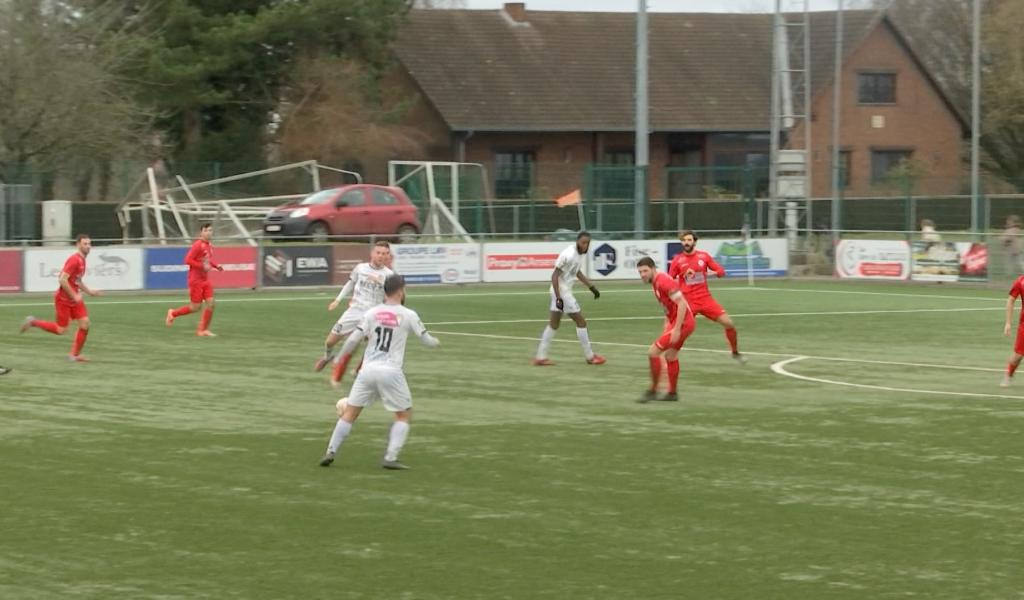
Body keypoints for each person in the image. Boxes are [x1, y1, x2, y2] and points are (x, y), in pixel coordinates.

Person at [319, 274, 440, 470]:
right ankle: (390, 458)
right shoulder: (409, 314)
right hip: (390, 372)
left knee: (349, 413)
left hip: (367, 371)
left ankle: (330, 451)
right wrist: (436, 343)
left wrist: (340, 358)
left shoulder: (372, 313)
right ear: (401, 290)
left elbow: (352, 340)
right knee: (403, 415)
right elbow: (427, 340)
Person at [314, 241, 394, 386]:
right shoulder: (360, 268)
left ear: (388, 256)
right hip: (354, 311)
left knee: (372, 345)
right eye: (378, 252)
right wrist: (337, 300)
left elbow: (393, 295)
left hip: (373, 316)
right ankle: (327, 356)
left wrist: (381, 283)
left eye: (385, 253)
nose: (381, 256)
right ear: (372, 253)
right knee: (330, 341)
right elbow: (350, 283)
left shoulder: (389, 275)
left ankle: (358, 371)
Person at [19, 234, 101, 361]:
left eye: (89, 244)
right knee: (61, 330)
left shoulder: (82, 260)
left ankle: (74, 355)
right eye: (85, 244)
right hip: (64, 299)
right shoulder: (74, 260)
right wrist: (74, 295)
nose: (88, 247)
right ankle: (33, 322)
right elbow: (62, 279)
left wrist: (89, 292)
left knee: (85, 324)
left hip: (75, 299)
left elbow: (77, 281)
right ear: (78, 245)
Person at [668, 229, 745, 364]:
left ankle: (735, 352)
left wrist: (708, 274)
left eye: (689, 240)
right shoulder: (677, 260)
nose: (686, 243)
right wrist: (680, 280)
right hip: (687, 301)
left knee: (729, 323)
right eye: (684, 240)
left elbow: (721, 272)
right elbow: (669, 280)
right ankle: (671, 354)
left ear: (695, 242)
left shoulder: (704, 257)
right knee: (680, 330)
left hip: (705, 299)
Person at [532, 231, 606, 366]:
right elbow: (554, 276)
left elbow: (576, 272)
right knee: (581, 322)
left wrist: (591, 287)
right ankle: (590, 357)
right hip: (562, 292)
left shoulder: (578, 255)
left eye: (587, 243)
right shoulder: (569, 255)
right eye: (583, 242)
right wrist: (559, 298)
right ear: (577, 241)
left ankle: (540, 357)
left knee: (554, 324)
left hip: (561, 292)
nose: (585, 245)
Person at [637, 256, 695, 402]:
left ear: (653, 269)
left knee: (653, 352)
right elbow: (669, 305)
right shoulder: (656, 282)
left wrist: (676, 329)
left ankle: (653, 390)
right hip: (681, 322)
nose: (643, 274)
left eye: (645, 271)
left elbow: (681, 304)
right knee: (670, 356)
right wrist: (668, 321)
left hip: (684, 324)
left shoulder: (662, 281)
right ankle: (672, 394)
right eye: (640, 272)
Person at [165, 223, 223, 336]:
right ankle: (173, 313)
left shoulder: (209, 245)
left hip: (205, 280)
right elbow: (187, 260)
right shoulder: (198, 245)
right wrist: (202, 266)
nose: (209, 233)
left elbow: (206, 261)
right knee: (195, 307)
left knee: (211, 303)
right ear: (201, 233)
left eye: (210, 230)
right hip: (195, 280)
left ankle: (203, 330)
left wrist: (216, 266)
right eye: (206, 230)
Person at [1002, 274, 1024, 387]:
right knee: (1018, 357)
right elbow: (1010, 301)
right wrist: (1008, 323)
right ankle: (1009, 374)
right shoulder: (1020, 281)